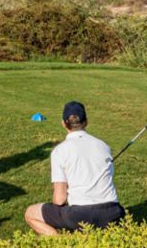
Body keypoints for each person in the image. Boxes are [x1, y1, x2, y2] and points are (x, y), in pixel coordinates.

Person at [24, 101, 124, 236]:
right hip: (113, 213)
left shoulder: (60, 151)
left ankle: (63, 245)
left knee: (31, 213)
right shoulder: (103, 146)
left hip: (81, 215)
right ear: (86, 122)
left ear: (64, 123)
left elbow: (59, 200)